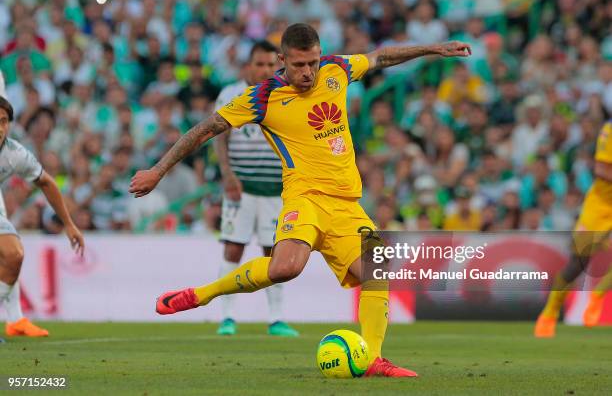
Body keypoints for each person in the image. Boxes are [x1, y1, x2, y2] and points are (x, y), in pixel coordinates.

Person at [130, 23, 470, 377]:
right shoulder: (262, 97)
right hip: (303, 196)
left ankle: (372, 359)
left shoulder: (336, 69)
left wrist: (434, 48)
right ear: (282, 60)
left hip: (347, 204)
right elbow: (205, 128)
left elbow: (379, 56)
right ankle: (203, 294)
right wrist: (157, 170)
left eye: (313, 62)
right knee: (285, 268)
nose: (308, 72)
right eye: (299, 65)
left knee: (377, 271)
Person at [214, 41, 298, 337]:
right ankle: (227, 318)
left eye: (268, 65)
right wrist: (227, 173)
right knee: (233, 248)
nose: (264, 70)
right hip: (242, 186)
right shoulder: (231, 94)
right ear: (247, 66)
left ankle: (276, 318)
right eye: (258, 64)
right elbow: (219, 137)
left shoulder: (284, 92)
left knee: (274, 252)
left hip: (276, 187)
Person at [0, 96, 84, 337]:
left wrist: (69, 224)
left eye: (4, 121)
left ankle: (14, 321)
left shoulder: (15, 153)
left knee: (13, 254)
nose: (0, 127)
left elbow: (46, 183)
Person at [535, 120, 612, 337]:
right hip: (602, 205)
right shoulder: (609, 130)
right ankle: (550, 311)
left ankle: (597, 296)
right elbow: (602, 169)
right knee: (577, 264)